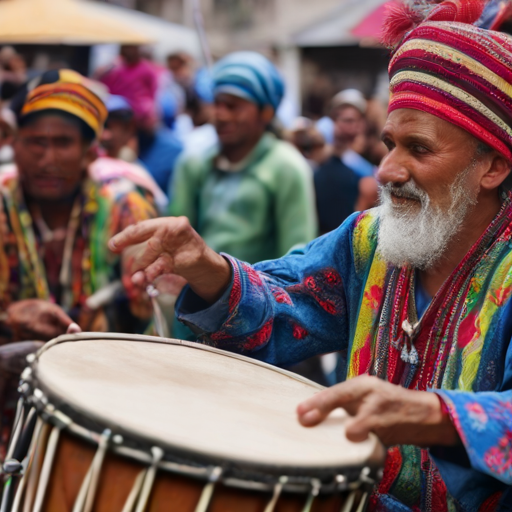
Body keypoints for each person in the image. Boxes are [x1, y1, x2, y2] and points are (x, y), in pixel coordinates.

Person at [110, 1, 512, 509]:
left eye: (420, 148)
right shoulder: (368, 240)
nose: (387, 169)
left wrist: (436, 415)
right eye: (389, 143)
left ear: (493, 167)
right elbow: (287, 300)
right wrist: (209, 270)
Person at [1, 69, 157, 341]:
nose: (47, 160)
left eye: (63, 143)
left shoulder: (125, 208)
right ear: (16, 147)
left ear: (90, 153)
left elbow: (150, 310)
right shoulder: (4, 204)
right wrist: (8, 318)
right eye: (37, 142)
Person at [169, 51, 317, 265]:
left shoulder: (287, 166)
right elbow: (177, 239)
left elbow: (297, 255)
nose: (220, 115)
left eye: (232, 106)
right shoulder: (194, 164)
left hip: (263, 295)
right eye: (217, 103)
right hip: (196, 293)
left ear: (265, 113)